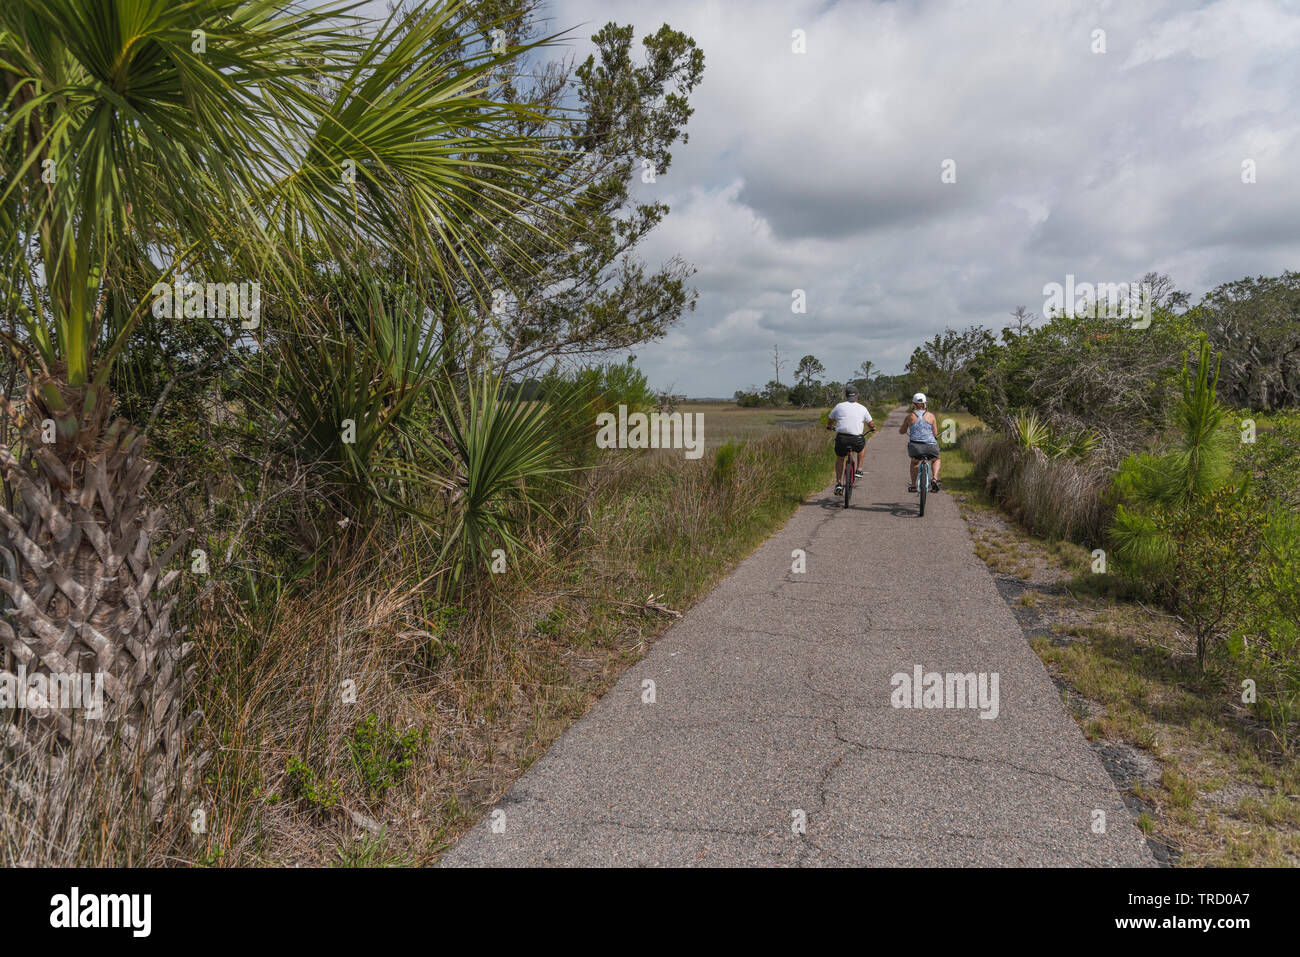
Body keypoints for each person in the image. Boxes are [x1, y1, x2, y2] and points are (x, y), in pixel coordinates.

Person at [826, 385, 875, 496]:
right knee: (862, 447)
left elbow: (830, 419)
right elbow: (871, 423)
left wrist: (829, 426)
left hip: (841, 439)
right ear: (857, 396)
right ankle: (859, 469)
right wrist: (873, 428)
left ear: (846, 396)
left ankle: (838, 483)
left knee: (840, 459)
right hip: (856, 439)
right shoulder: (862, 408)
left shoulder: (839, 406)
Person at [898, 392, 942, 493]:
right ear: (925, 403)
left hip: (915, 447)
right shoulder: (931, 416)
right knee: (936, 459)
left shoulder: (910, 417)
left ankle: (913, 485)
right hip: (930, 446)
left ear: (913, 404)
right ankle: (934, 479)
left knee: (914, 462)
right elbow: (935, 434)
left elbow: (902, 431)